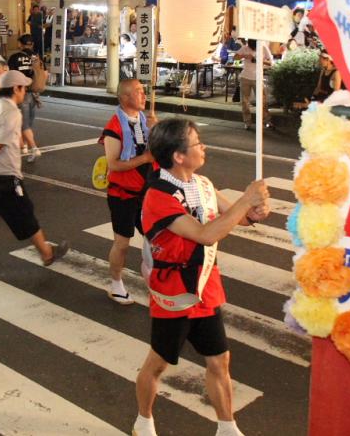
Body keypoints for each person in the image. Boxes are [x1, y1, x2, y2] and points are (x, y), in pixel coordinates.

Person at [132, 118, 270, 436]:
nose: (203, 146)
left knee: (219, 360)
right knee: (158, 364)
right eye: (196, 142)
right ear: (178, 156)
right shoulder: (158, 197)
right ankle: (143, 420)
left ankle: (227, 426)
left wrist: (255, 211)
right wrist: (245, 202)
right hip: (175, 293)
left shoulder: (202, 184)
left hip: (205, 287)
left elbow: (237, 216)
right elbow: (206, 235)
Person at [0, 70, 69, 276]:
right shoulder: (11, 113)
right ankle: (46, 253)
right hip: (5, 176)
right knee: (24, 213)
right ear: (15, 89)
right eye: (23, 88)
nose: (24, 92)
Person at [99, 78, 157, 304]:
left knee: (156, 238)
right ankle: (115, 284)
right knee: (122, 243)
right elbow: (113, 164)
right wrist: (144, 158)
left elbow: (156, 153)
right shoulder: (114, 127)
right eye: (139, 92)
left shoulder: (144, 120)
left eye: (143, 91)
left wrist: (155, 130)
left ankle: (155, 281)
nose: (144, 96)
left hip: (146, 192)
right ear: (124, 98)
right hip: (122, 193)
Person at [7, 34, 43, 161]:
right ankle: (25, 148)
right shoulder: (36, 57)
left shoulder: (15, 57)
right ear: (31, 44)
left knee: (23, 125)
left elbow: (10, 75)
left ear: (20, 44)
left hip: (20, 93)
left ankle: (33, 149)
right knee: (28, 124)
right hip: (33, 94)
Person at [235, 39, 273, 131]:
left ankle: (266, 121)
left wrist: (259, 60)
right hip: (245, 77)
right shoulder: (245, 48)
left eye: (254, 47)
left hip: (258, 78)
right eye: (250, 46)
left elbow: (271, 63)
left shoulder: (263, 47)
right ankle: (247, 122)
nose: (252, 48)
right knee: (245, 102)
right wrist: (245, 55)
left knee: (262, 101)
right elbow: (235, 57)